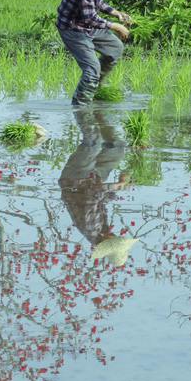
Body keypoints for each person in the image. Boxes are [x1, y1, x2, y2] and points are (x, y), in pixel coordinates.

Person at [57, 0, 137, 106]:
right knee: (92, 70)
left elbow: (96, 2)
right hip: (73, 28)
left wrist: (116, 13)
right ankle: (81, 108)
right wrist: (116, 26)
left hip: (86, 25)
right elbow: (90, 18)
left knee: (115, 48)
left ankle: (93, 89)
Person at [58, 109, 137, 266]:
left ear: (109, 243)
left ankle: (82, 111)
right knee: (117, 148)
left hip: (75, 178)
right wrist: (118, 190)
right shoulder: (102, 229)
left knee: (93, 143)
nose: (117, 235)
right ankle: (99, 114)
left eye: (116, 239)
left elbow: (92, 193)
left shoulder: (92, 228)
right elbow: (100, 199)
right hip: (92, 179)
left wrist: (116, 185)